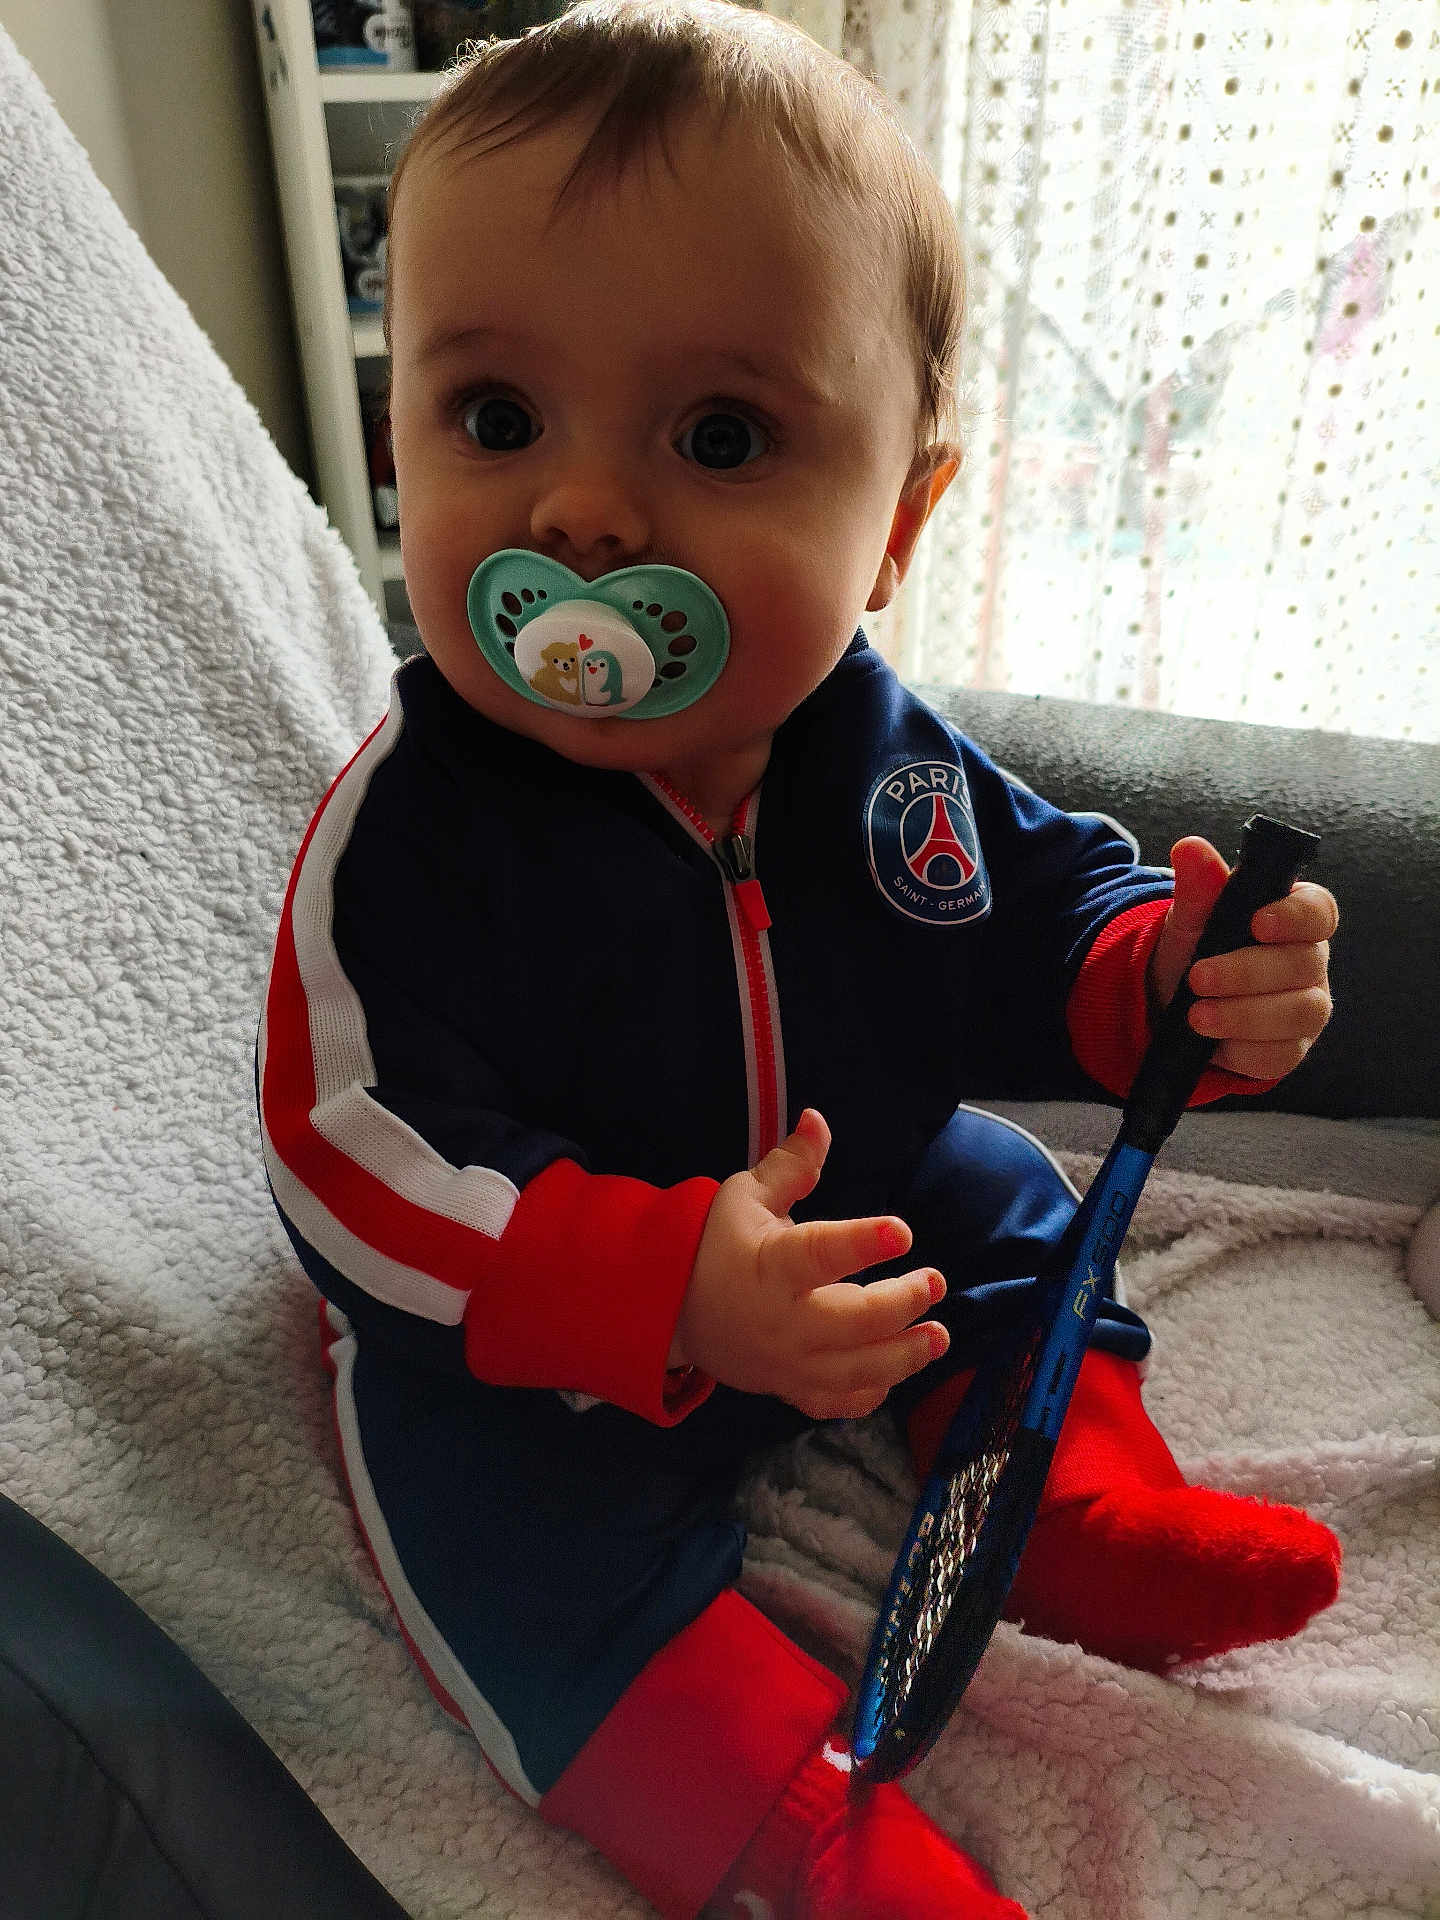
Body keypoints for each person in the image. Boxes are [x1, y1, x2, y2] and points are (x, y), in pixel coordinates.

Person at [258, 3, 1341, 1913]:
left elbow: (1049, 910)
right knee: (506, 1567)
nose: (582, 513)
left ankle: (1073, 1498)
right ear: (400, 433)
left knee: (1005, 1199)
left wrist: (1170, 981)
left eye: (723, 436)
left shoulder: (881, 754)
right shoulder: (418, 830)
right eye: (496, 420)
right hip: (550, 1369)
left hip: (857, 1204)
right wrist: (658, 1280)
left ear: (899, 525)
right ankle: (798, 1833)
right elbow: (345, 1149)